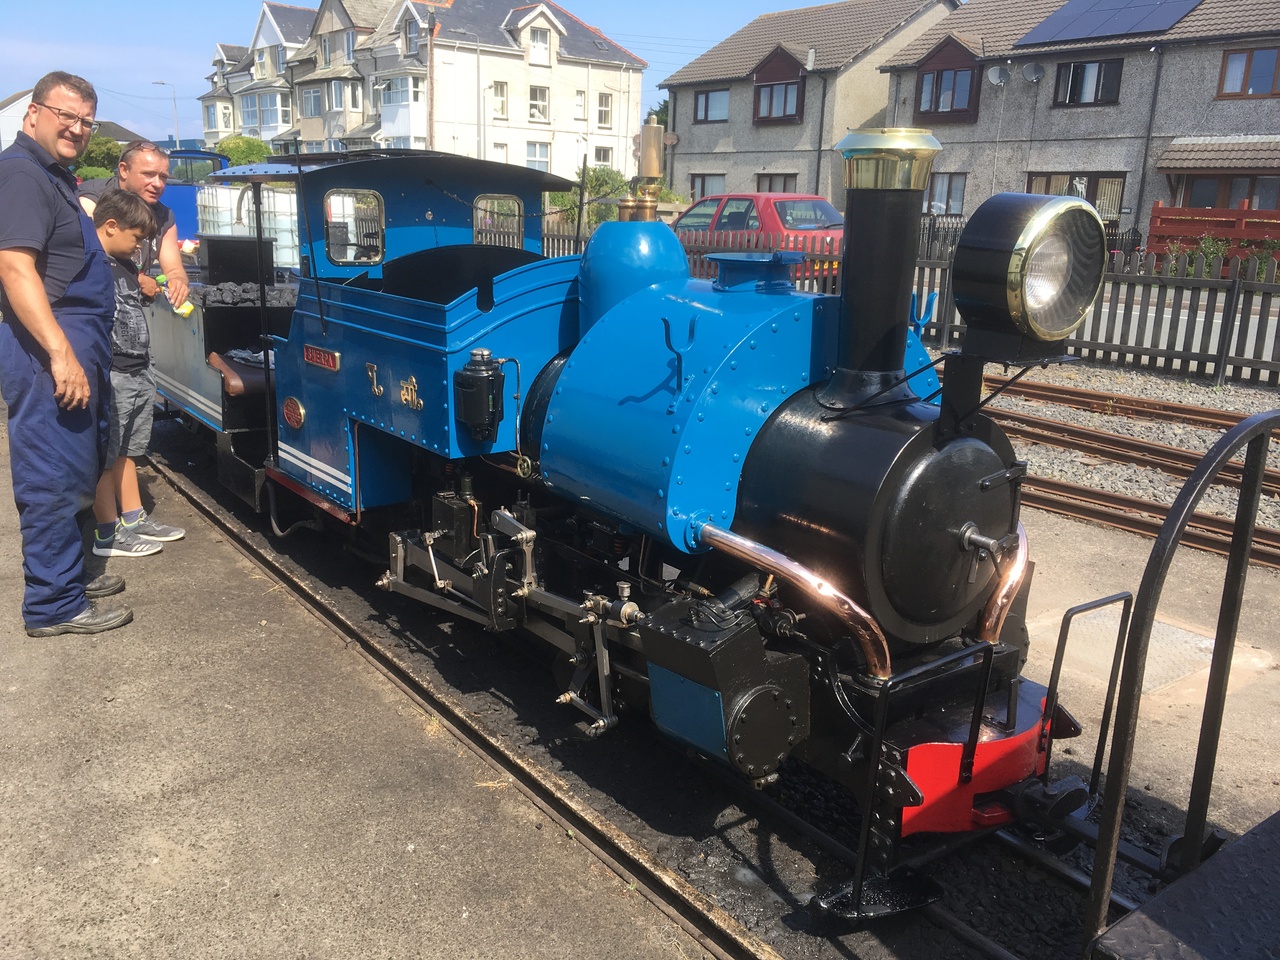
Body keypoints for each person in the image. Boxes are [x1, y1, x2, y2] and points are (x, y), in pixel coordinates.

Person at [0, 72, 132, 636]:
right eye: (66, 116)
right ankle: (53, 604)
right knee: (52, 474)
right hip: (46, 350)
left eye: (87, 120)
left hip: (74, 345)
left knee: (79, 464)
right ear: (34, 113)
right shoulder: (22, 174)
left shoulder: (51, 175)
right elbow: (13, 266)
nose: (77, 129)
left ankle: (67, 575)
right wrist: (61, 354)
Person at [80, 147, 187, 556]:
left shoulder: (156, 225)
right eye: (149, 174)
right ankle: (107, 532)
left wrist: (170, 278)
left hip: (138, 362)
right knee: (107, 452)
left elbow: (172, 262)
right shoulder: (94, 206)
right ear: (123, 171)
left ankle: (134, 517)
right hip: (111, 367)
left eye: (164, 176)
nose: (158, 183)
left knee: (128, 448)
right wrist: (139, 274)